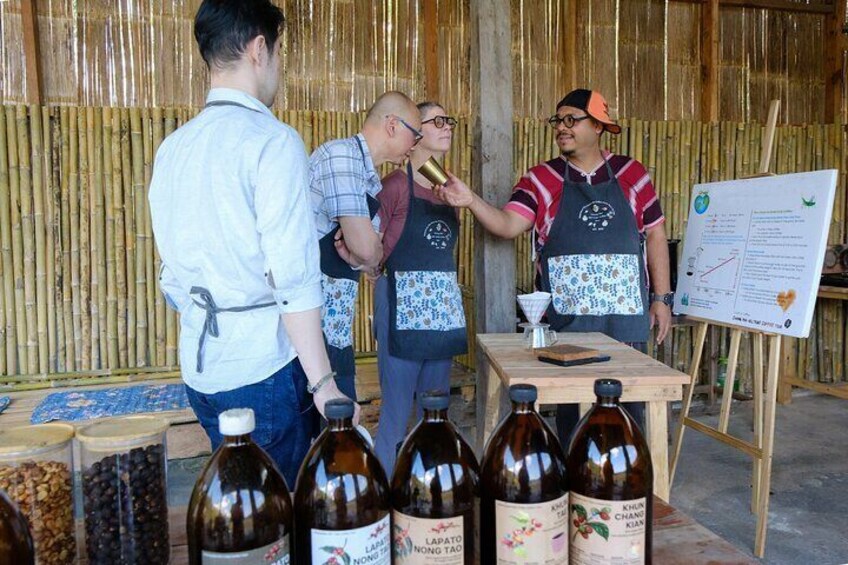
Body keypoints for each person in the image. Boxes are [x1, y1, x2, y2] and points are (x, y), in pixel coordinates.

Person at [149, 0, 356, 488]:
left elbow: (172, 279)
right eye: (278, 52)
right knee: (274, 510)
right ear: (260, 49)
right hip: (263, 371)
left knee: (237, 502)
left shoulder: (173, 148)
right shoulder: (272, 141)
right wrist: (324, 384)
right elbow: (293, 278)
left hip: (201, 371)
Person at [435, 89, 672, 446]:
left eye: (571, 120)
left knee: (627, 422)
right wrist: (470, 201)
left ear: (598, 126)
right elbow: (507, 225)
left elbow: (655, 234)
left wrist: (661, 298)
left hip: (625, 325)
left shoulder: (632, 174)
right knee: (574, 427)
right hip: (568, 331)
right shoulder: (541, 179)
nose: (562, 127)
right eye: (557, 121)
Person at [372, 102, 467, 473]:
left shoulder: (450, 190)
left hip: (442, 313)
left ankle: (432, 489)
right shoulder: (394, 186)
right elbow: (371, 249)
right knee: (396, 414)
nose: (447, 127)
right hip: (401, 307)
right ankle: (384, 493)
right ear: (415, 132)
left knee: (436, 413)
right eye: (437, 121)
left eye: (448, 120)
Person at [309, 91, 422, 403]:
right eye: (415, 135)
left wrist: (365, 255)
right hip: (309, 333)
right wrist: (364, 252)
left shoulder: (368, 178)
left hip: (336, 329)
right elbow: (367, 249)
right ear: (392, 125)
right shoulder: (341, 156)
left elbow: (373, 262)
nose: (415, 145)